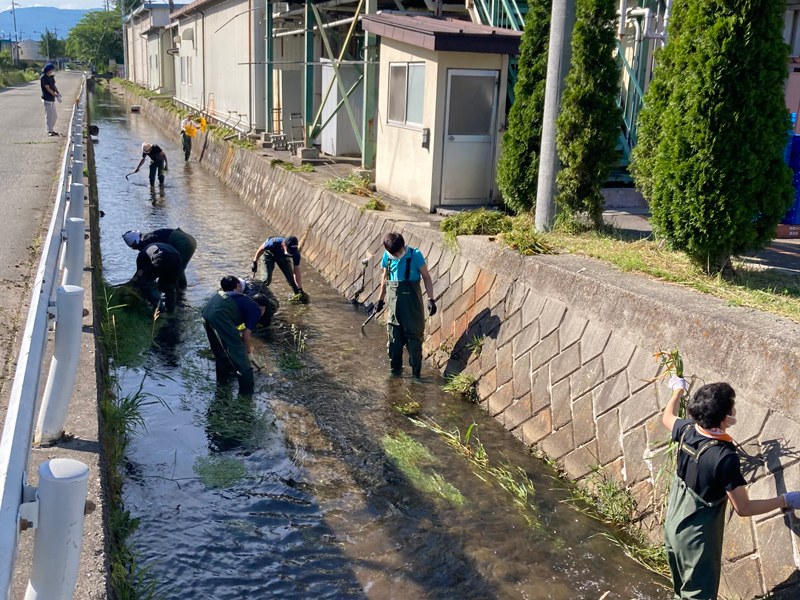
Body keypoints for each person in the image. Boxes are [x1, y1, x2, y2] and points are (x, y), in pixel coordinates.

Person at [661, 377, 800, 599]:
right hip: (696, 537)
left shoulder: (687, 430)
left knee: (682, 592)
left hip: (673, 526)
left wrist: (677, 390)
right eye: (732, 405)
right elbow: (743, 508)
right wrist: (785, 500)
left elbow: (667, 417)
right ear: (726, 416)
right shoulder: (724, 457)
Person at [374, 232, 436, 377]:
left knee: (414, 346)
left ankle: (416, 377)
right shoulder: (387, 257)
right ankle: (395, 376)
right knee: (394, 345)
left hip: (412, 312)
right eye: (392, 253)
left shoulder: (415, 255)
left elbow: (426, 277)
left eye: (397, 252)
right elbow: (385, 277)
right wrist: (380, 300)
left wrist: (431, 299)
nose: (395, 255)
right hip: (394, 313)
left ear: (403, 245)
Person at [202, 275, 272, 396]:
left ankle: (222, 387)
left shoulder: (237, 298)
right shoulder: (255, 309)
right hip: (219, 315)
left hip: (207, 311)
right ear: (264, 307)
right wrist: (249, 355)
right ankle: (247, 396)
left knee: (221, 355)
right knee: (243, 363)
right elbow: (246, 336)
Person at [123, 228, 197, 289]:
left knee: (173, 275)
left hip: (183, 244)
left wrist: (131, 284)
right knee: (178, 269)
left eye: (133, 246)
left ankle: (177, 301)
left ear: (135, 242)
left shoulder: (144, 244)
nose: (134, 249)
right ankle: (183, 293)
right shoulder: (150, 237)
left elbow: (143, 270)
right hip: (189, 239)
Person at [130, 242, 182, 312]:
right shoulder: (153, 247)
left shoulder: (141, 255)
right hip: (177, 257)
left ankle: (160, 310)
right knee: (169, 285)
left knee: (145, 282)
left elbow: (140, 273)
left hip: (162, 256)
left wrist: (132, 282)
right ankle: (171, 311)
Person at [41, 63, 61, 136]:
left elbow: (54, 86)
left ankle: (51, 129)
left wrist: (58, 93)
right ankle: (49, 130)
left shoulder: (51, 77)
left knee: (54, 116)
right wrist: (56, 96)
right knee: (49, 115)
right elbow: (48, 88)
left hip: (52, 99)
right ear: (48, 70)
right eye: (51, 70)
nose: (52, 71)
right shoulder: (44, 78)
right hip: (47, 99)